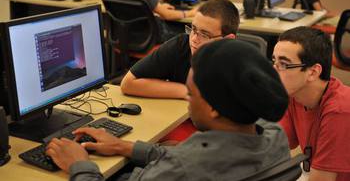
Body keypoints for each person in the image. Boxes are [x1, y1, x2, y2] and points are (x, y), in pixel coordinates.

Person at [46, 39, 291, 181]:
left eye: (191, 94)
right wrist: (126, 147)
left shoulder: (183, 170)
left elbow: (184, 165)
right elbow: (189, 159)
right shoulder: (274, 136)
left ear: (214, 108)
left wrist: (79, 164)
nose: (188, 101)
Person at [120, 0, 239, 141]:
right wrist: (186, 91)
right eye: (193, 29)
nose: (194, 39)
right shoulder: (181, 46)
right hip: (183, 126)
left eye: (204, 34)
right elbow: (128, 83)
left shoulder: (238, 68)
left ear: (228, 39)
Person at [272, 26, 350, 181]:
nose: (273, 71)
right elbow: (275, 146)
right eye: (274, 61)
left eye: (284, 64)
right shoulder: (293, 93)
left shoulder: (340, 111)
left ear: (313, 72)